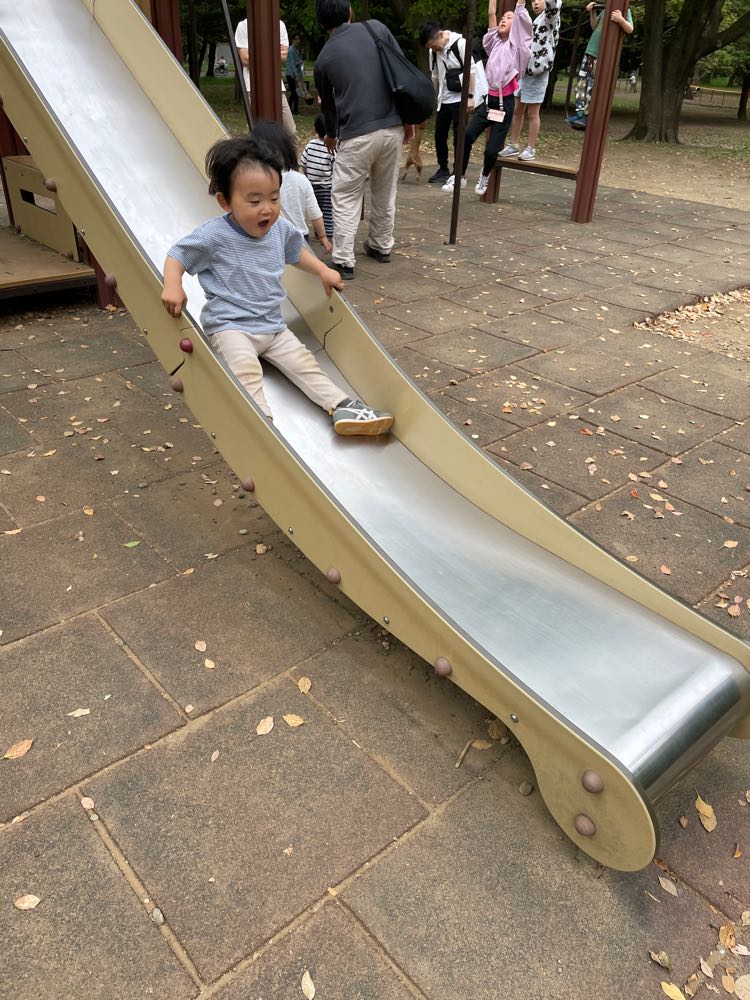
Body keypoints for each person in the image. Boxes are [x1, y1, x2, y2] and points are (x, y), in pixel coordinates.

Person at [161, 135, 393, 436]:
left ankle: (343, 406)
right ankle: (261, 425)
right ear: (225, 201)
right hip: (231, 326)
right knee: (245, 371)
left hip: (272, 325)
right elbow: (177, 255)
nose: (267, 209)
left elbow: (296, 253)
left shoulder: (279, 229)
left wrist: (323, 270)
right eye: (254, 201)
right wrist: (173, 284)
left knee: (305, 364)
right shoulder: (213, 235)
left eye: (274, 198)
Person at [314, 0, 410, 281]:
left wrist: (331, 134)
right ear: (349, 12)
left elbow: (328, 107)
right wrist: (408, 119)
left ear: (321, 23)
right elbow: (401, 73)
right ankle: (381, 245)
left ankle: (344, 259)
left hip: (356, 133)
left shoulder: (324, 59)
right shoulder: (377, 29)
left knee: (345, 194)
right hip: (392, 125)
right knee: (385, 189)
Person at [442, 0, 532, 196]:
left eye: (509, 18)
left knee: (491, 150)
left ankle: (485, 176)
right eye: (502, 17)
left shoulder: (518, 49)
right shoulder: (495, 43)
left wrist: (520, 6)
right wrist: (493, 7)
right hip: (489, 102)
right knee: (466, 136)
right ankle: (460, 175)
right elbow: (492, 13)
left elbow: (523, 29)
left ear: (516, 24)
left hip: (505, 104)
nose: (503, 20)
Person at [252, 120, 331, 254]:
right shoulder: (301, 179)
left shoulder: (255, 181)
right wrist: (323, 236)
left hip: (268, 237)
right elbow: (315, 212)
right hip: (300, 236)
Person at [418, 23, 482, 185]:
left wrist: (470, 96)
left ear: (441, 35)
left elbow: (471, 71)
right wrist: (432, 97)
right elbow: (435, 75)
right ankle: (443, 168)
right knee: (439, 135)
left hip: (460, 98)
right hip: (444, 99)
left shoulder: (460, 44)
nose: (434, 50)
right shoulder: (433, 52)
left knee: (459, 136)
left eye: (434, 46)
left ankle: (458, 171)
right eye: (430, 48)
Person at [499, 0, 562, 161]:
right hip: (524, 70)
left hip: (538, 72)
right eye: (533, 0)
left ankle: (530, 148)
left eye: (539, 0)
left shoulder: (550, 18)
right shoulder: (536, 20)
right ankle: (513, 144)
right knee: (517, 110)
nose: (535, 3)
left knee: (533, 113)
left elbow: (553, 7)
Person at [566, 2, 633, 129]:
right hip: (589, 52)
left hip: (600, 55)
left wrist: (621, 20)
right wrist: (593, 12)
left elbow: (630, 28)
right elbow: (594, 26)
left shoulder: (624, 10)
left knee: (591, 86)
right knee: (581, 84)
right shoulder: (604, 10)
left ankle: (587, 116)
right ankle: (579, 113)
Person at [235, 17, 297, 136]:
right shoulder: (243, 25)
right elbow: (246, 59)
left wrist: (255, 52)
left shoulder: (279, 25)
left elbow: (283, 56)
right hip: (251, 88)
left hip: (276, 87)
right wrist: (273, 51)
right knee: (257, 133)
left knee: (290, 132)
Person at [301, 114, 335, 238]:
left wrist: (308, 175)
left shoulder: (310, 145)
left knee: (315, 210)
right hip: (327, 186)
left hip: (312, 186)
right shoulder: (331, 147)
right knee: (327, 211)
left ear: (315, 128)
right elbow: (335, 166)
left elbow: (303, 163)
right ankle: (328, 232)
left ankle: (318, 232)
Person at [286, 36, 305, 115]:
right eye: (296, 39)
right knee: (294, 92)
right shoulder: (291, 50)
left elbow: (296, 62)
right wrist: (296, 75)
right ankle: (290, 109)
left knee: (296, 92)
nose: (298, 40)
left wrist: (300, 62)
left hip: (295, 73)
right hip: (291, 74)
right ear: (293, 40)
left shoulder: (296, 50)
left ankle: (295, 110)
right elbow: (292, 64)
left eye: (299, 39)